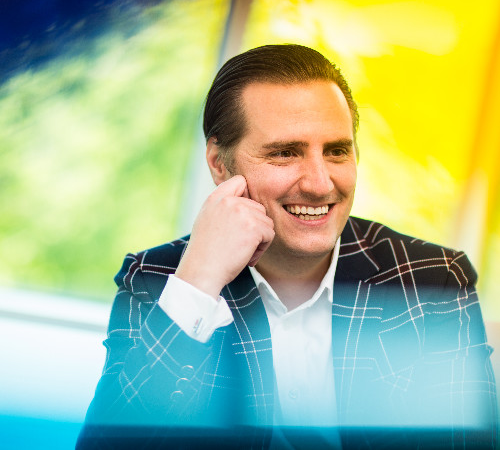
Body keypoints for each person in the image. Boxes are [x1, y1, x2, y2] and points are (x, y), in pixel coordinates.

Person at [77, 45, 497, 449]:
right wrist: (198, 284)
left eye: (336, 151)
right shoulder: (157, 280)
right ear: (219, 163)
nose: (319, 183)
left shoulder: (433, 282)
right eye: (284, 153)